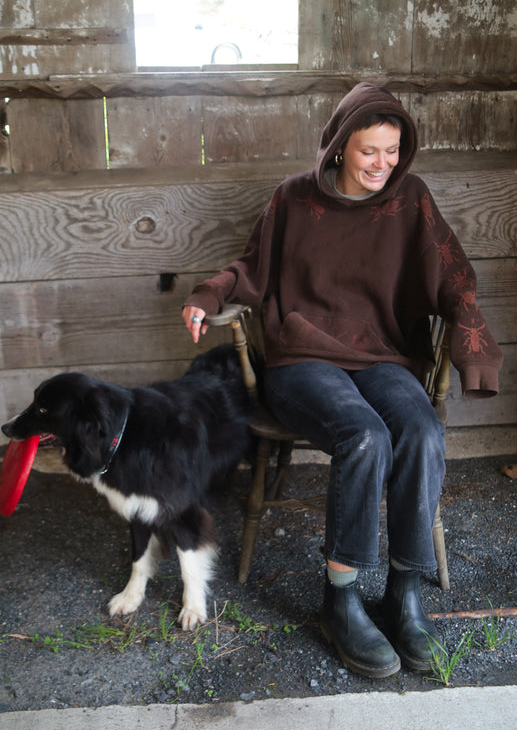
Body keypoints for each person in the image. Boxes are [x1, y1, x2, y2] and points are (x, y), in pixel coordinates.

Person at [182, 82, 502, 678]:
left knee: (421, 430)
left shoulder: (411, 199)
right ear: (338, 148)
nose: (383, 164)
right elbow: (251, 269)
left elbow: (454, 275)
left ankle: (403, 595)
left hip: (383, 356)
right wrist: (208, 296)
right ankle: (342, 598)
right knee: (365, 436)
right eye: (368, 151)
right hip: (303, 359)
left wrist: (472, 342)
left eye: (392, 150)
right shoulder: (294, 198)